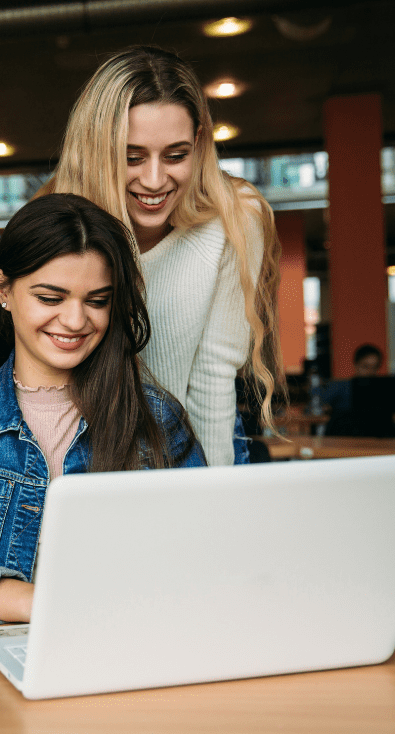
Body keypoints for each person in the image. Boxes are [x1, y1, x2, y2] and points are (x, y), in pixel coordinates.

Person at [0, 194, 205, 625]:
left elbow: (202, 554)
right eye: (51, 297)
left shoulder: (157, 420)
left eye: (97, 301)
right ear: (4, 290)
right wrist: (30, 602)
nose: (76, 320)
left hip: (132, 640)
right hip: (6, 648)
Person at [41, 45, 282, 466]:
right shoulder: (63, 220)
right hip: (89, 449)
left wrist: (210, 504)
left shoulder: (235, 217)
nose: (154, 181)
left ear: (199, 144)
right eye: (132, 157)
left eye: (176, 155)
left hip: (202, 446)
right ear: (97, 150)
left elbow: (213, 382)